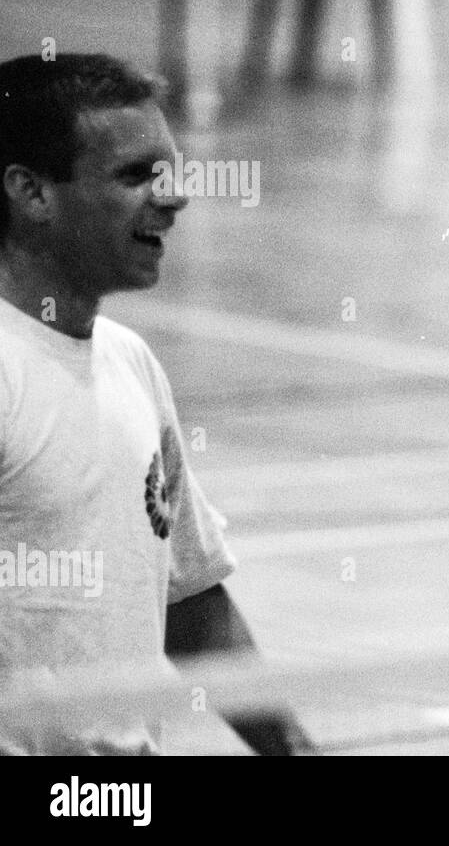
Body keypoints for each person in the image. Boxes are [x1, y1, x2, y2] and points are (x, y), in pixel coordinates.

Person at [0, 53, 310, 754]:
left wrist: (293, 748)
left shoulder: (129, 363)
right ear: (31, 192)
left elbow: (189, 601)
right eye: (136, 175)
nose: (173, 196)